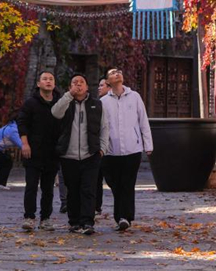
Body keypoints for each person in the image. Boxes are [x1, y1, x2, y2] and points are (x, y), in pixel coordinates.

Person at [52, 73, 109, 235]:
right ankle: (74, 221)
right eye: (74, 82)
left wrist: (102, 148)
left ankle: (87, 222)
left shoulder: (97, 105)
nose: (78, 85)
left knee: (89, 189)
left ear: (86, 86)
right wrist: (68, 95)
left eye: (81, 82)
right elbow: (55, 113)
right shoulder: (65, 102)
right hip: (68, 155)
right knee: (73, 190)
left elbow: (105, 128)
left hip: (91, 154)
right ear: (70, 86)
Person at [101, 67, 153, 232]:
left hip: (132, 148)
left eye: (119, 72)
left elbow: (143, 120)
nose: (117, 74)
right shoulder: (103, 102)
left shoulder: (135, 97)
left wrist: (148, 144)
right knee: (114, 183)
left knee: (128, 183)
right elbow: (101, 127)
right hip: (110, 151)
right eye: (112, 73)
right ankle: (124, 215)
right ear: (108, 81)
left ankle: (123, 217)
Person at [17, 71, 62, 232]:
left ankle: (46, 218)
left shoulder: (59, 103)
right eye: (45, 79)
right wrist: (24, 143)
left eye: (51, 79)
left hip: (52, 152)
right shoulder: (31, 103)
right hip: (33, 150)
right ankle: (29, 217)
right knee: (31, 186)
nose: (48, 81)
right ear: (39, 83)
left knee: (48, 188)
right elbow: (22, 123)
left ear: (54, 84)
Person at [95, 77, 110, 214]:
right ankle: (96, 206)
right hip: (100, 147)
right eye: (98, 85)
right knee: (96, 178)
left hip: (113, 147)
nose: (99, 88)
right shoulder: (97, 104)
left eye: (102, 85)